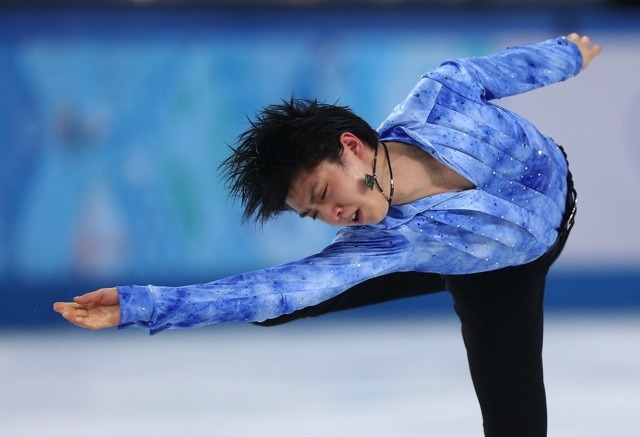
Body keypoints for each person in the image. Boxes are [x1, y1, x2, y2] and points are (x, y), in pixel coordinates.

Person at [54, 33, 601, 436]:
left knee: (312, 287)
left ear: (352, 146)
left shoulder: (441, 95)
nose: (332, 215)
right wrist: (139, 305)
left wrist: (572, 54)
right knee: (287, 299)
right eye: (313, 216)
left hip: (513, 227)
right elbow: (275, 288)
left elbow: (512, 67)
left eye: (321, 195)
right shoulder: (377, 240)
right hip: (496, 273)